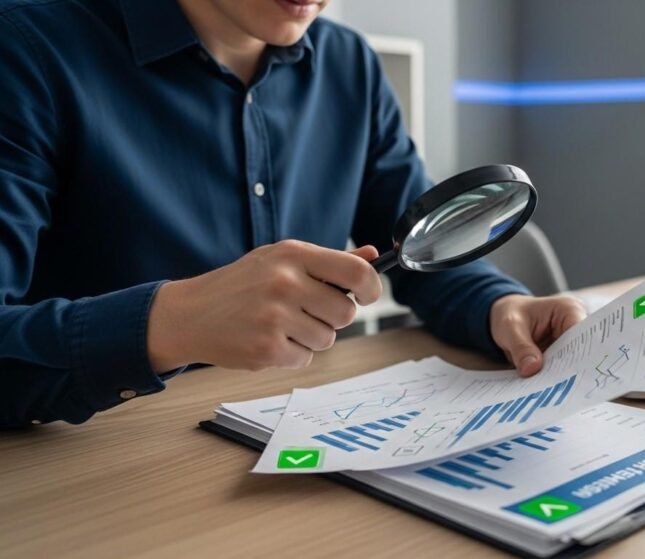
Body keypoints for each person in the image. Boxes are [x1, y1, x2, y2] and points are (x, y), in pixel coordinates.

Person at [0, 0, 586, 428]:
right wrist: (169, 324)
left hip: (298, 443)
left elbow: (413, 241)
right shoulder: (26, 48)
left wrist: (501, 306)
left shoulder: (349, 65)